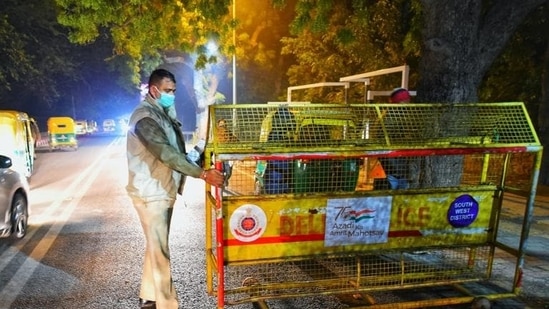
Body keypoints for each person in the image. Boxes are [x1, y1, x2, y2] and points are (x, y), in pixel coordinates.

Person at [126, 68, 225, 309]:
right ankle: (168, 304)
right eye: (168, 91)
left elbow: (177, 152)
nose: (172, 95)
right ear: (154, 90)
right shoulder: (145, 118)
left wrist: (199, 151)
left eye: (174, 91)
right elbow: (166, 153)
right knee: (161, 252)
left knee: (155, 244)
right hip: (151, 193)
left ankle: (148, 295)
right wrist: (202, 174)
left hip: (161, 189)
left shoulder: (162, 113)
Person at [378, 88, 411, 190]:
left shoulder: (396, 114)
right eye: (406, 99)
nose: (408, 102)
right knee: (396, 177)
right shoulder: (394, 115)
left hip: (393, 152)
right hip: (391, 152)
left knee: (397, 177)